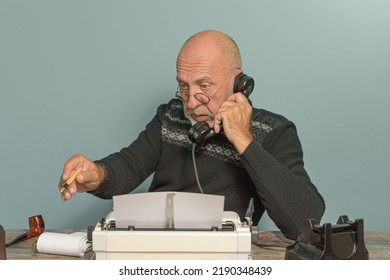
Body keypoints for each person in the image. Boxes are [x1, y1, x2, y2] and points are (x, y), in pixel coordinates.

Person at [58, 30, 325, 240]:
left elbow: (303, 222)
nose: (192, 102)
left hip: (224, 257)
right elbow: (130, 164)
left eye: (204, 86)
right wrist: (96, 174)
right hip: (156, 248)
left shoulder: (275, 131)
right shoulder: (171, 116)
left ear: (238, 84)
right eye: (184, 87)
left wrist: (244, 140)